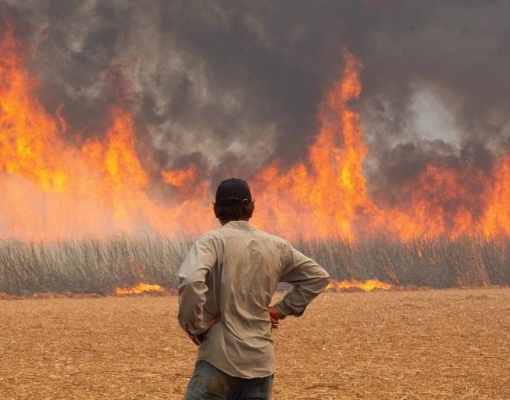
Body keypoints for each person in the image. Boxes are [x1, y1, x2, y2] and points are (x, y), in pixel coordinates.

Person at [178, 178, 330, 399]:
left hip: (218, 358)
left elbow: (191, 279)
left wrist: (195, 326)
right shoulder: (276, 246)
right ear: (252, 208)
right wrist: (281, 309)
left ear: (215, 209)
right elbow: (318, 277)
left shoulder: (210, 243)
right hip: (261, 363)